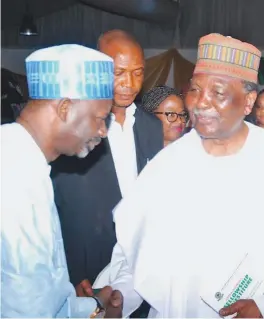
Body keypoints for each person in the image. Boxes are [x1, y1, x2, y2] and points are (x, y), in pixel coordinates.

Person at [106, 33, 264, 318]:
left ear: (248, 101)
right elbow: (136, 249)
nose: (200, 103)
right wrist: (119, 293)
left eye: (217, 93)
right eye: (195, 90)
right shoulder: (168, 165)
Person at [1, 44, 123, 317]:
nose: (103, 132)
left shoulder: (20, 158)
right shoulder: (17, 181)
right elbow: (28, 309)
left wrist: (93, 305)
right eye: (101, 119)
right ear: (65, 107)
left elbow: (43, 293)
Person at [51, 29, 163, 300]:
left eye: (138, 72)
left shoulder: (152, 127)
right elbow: (62, 206)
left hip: (139, 262)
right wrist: (73, 273)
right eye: (119, 72)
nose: (130, 82)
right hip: (88, 266)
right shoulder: (73, 126)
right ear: (97, 71)